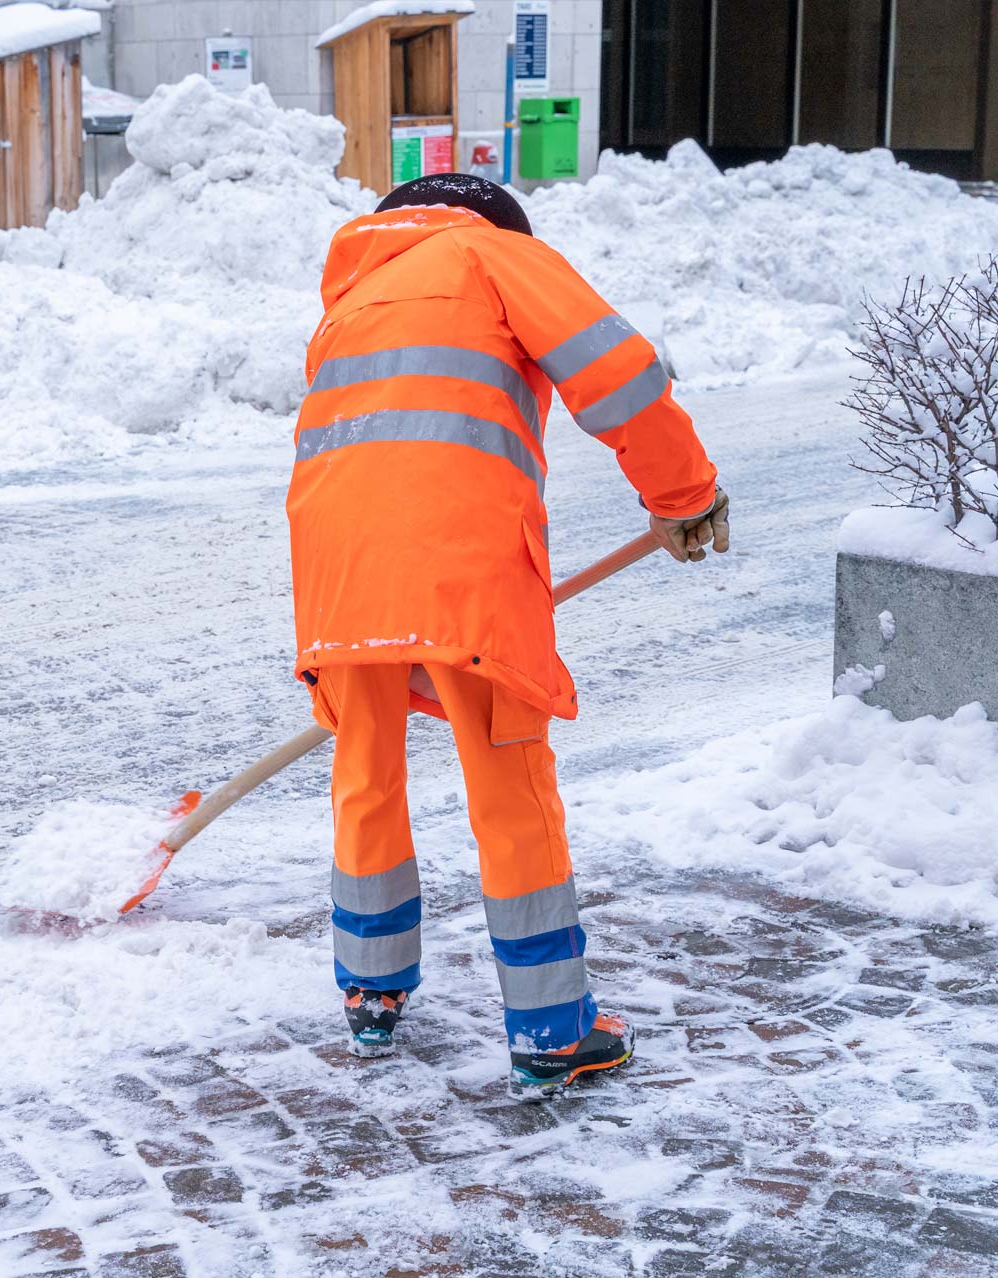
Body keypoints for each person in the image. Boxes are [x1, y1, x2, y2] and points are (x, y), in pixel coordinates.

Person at [286, 173, 730, 1101]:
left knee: (367, 770)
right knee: (509, 780)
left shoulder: (351, 299)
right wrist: (685, 496)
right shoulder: (493, 254)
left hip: (337, 572)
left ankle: (371, 993)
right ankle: (554, 1030)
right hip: (465, 564)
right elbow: (619, 375)